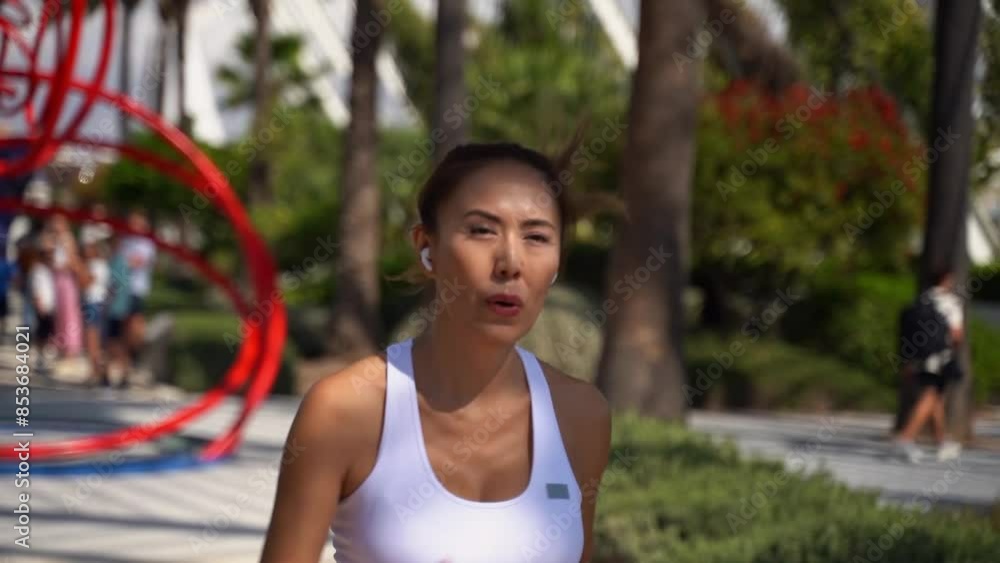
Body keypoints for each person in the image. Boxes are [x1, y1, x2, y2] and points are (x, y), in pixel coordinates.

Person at [259, 142, 612, 563]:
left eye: (537, 237)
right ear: (427, 248)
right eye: (482, 230)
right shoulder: (343, 409)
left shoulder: (581, 415)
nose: (510, 262)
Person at [894, 267, 964, 463]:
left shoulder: (921, 299)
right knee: (930, 396)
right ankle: (906, 437)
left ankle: (942, 443)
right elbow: (957, 334)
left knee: (936, 399)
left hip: (919, 357)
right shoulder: (950, 302)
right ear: (946, 279)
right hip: (940, 358)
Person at [119, 210, 157, 361]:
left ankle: (137, 352)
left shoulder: (146, 244)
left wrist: (124, 263)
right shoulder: (126, 241)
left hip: (136, 288)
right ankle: (127, 355)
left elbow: (136, 262)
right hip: (123, 289)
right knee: (124, 323)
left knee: (135, 322)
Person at [77, 234, 111, 386]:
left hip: (93, 304)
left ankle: (95, 372)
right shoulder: (99, 264)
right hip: (96, 304)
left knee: (92, 341)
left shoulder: (96, 265)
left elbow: (85, 282)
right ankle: (100, 372)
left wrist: (77, 266)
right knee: (95, 341)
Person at [49, 215, 84, 357]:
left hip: (66, 279)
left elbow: (72, 261)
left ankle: (71, 347)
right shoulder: (55, 239)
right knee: (59, 314)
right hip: (57, 279)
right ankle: (61, 345)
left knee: (69, 314)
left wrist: (61, 267)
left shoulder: (68, 239)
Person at [29, 236, 57, 372]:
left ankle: (44, 358)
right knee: (42, 334)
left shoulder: (49, 270)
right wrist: (39, 305)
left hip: (50, 308)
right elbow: (36, 289)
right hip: (43, 308)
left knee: (48, 335)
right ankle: (40, 359)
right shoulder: (38, 270)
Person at [0, 254, 14, 343]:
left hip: (3, 293)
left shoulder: (5, 263)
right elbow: (12, 277)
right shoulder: (6, 263)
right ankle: (2, 334)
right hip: (3, 293)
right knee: (3, 317)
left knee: (3, 316)